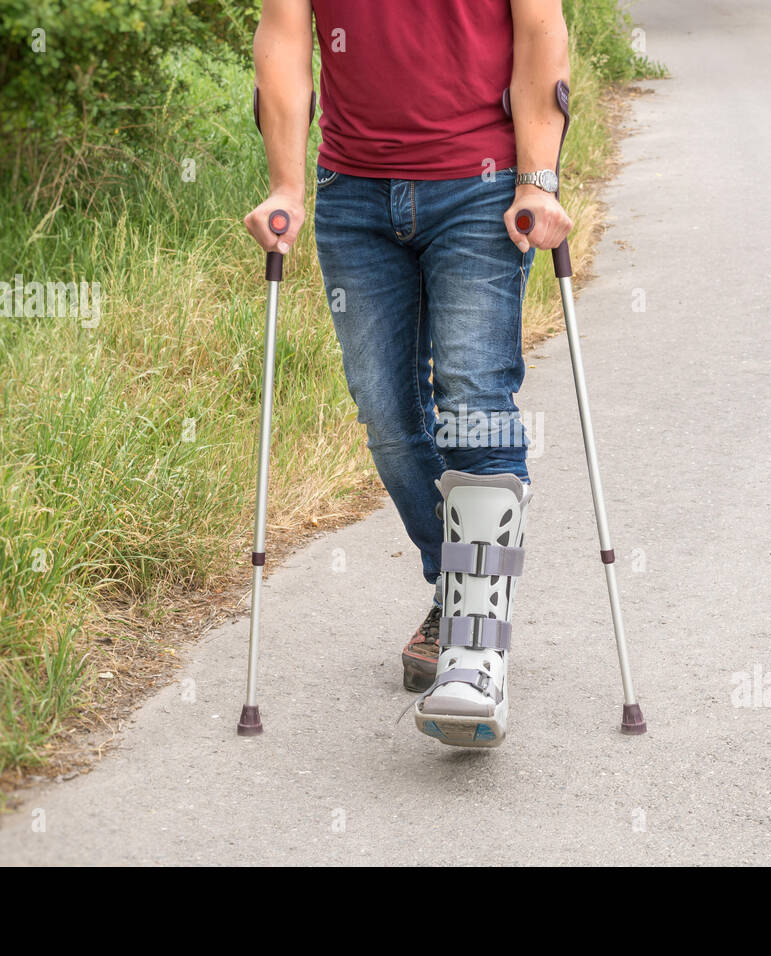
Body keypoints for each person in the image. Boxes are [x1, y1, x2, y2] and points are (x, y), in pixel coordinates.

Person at [244, 0, 572, 747]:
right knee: (388, 415)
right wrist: (286, 187)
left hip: (482, 189)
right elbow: (286, 42)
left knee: (473, 393)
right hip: (354, 194)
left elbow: (540, 33)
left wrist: (539, 178)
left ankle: (476, 649)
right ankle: (457, 587)